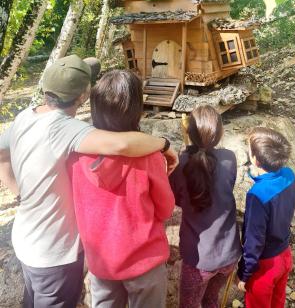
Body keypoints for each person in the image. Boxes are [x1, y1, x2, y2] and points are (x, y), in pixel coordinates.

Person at [0, 55, 177, 308]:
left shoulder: (31, 121)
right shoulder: (67, 131)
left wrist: (19, 193)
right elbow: (124, 146)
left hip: (83, 257)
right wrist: (163, 145)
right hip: (68, 253)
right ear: (83, 95)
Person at [70, 69, 175, 308]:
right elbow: (166, 209)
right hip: (144, 262)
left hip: (101, 261)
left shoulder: (76, 155)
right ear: (136, 107)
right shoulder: (149, 157)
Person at [169, 105, 241, 308]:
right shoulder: (229, 158)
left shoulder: (180, 163)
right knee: (211, 300)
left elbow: (176, 200)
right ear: (219, 133)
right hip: (229, 254)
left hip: (199, 260)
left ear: (189, 133)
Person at [237, 127, 295, 308]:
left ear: (255, 159)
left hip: (265, 266)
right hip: (285, 255)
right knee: (277, 301)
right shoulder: (289, 174)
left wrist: (245, 274)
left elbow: (254, 240)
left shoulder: (257, 195)